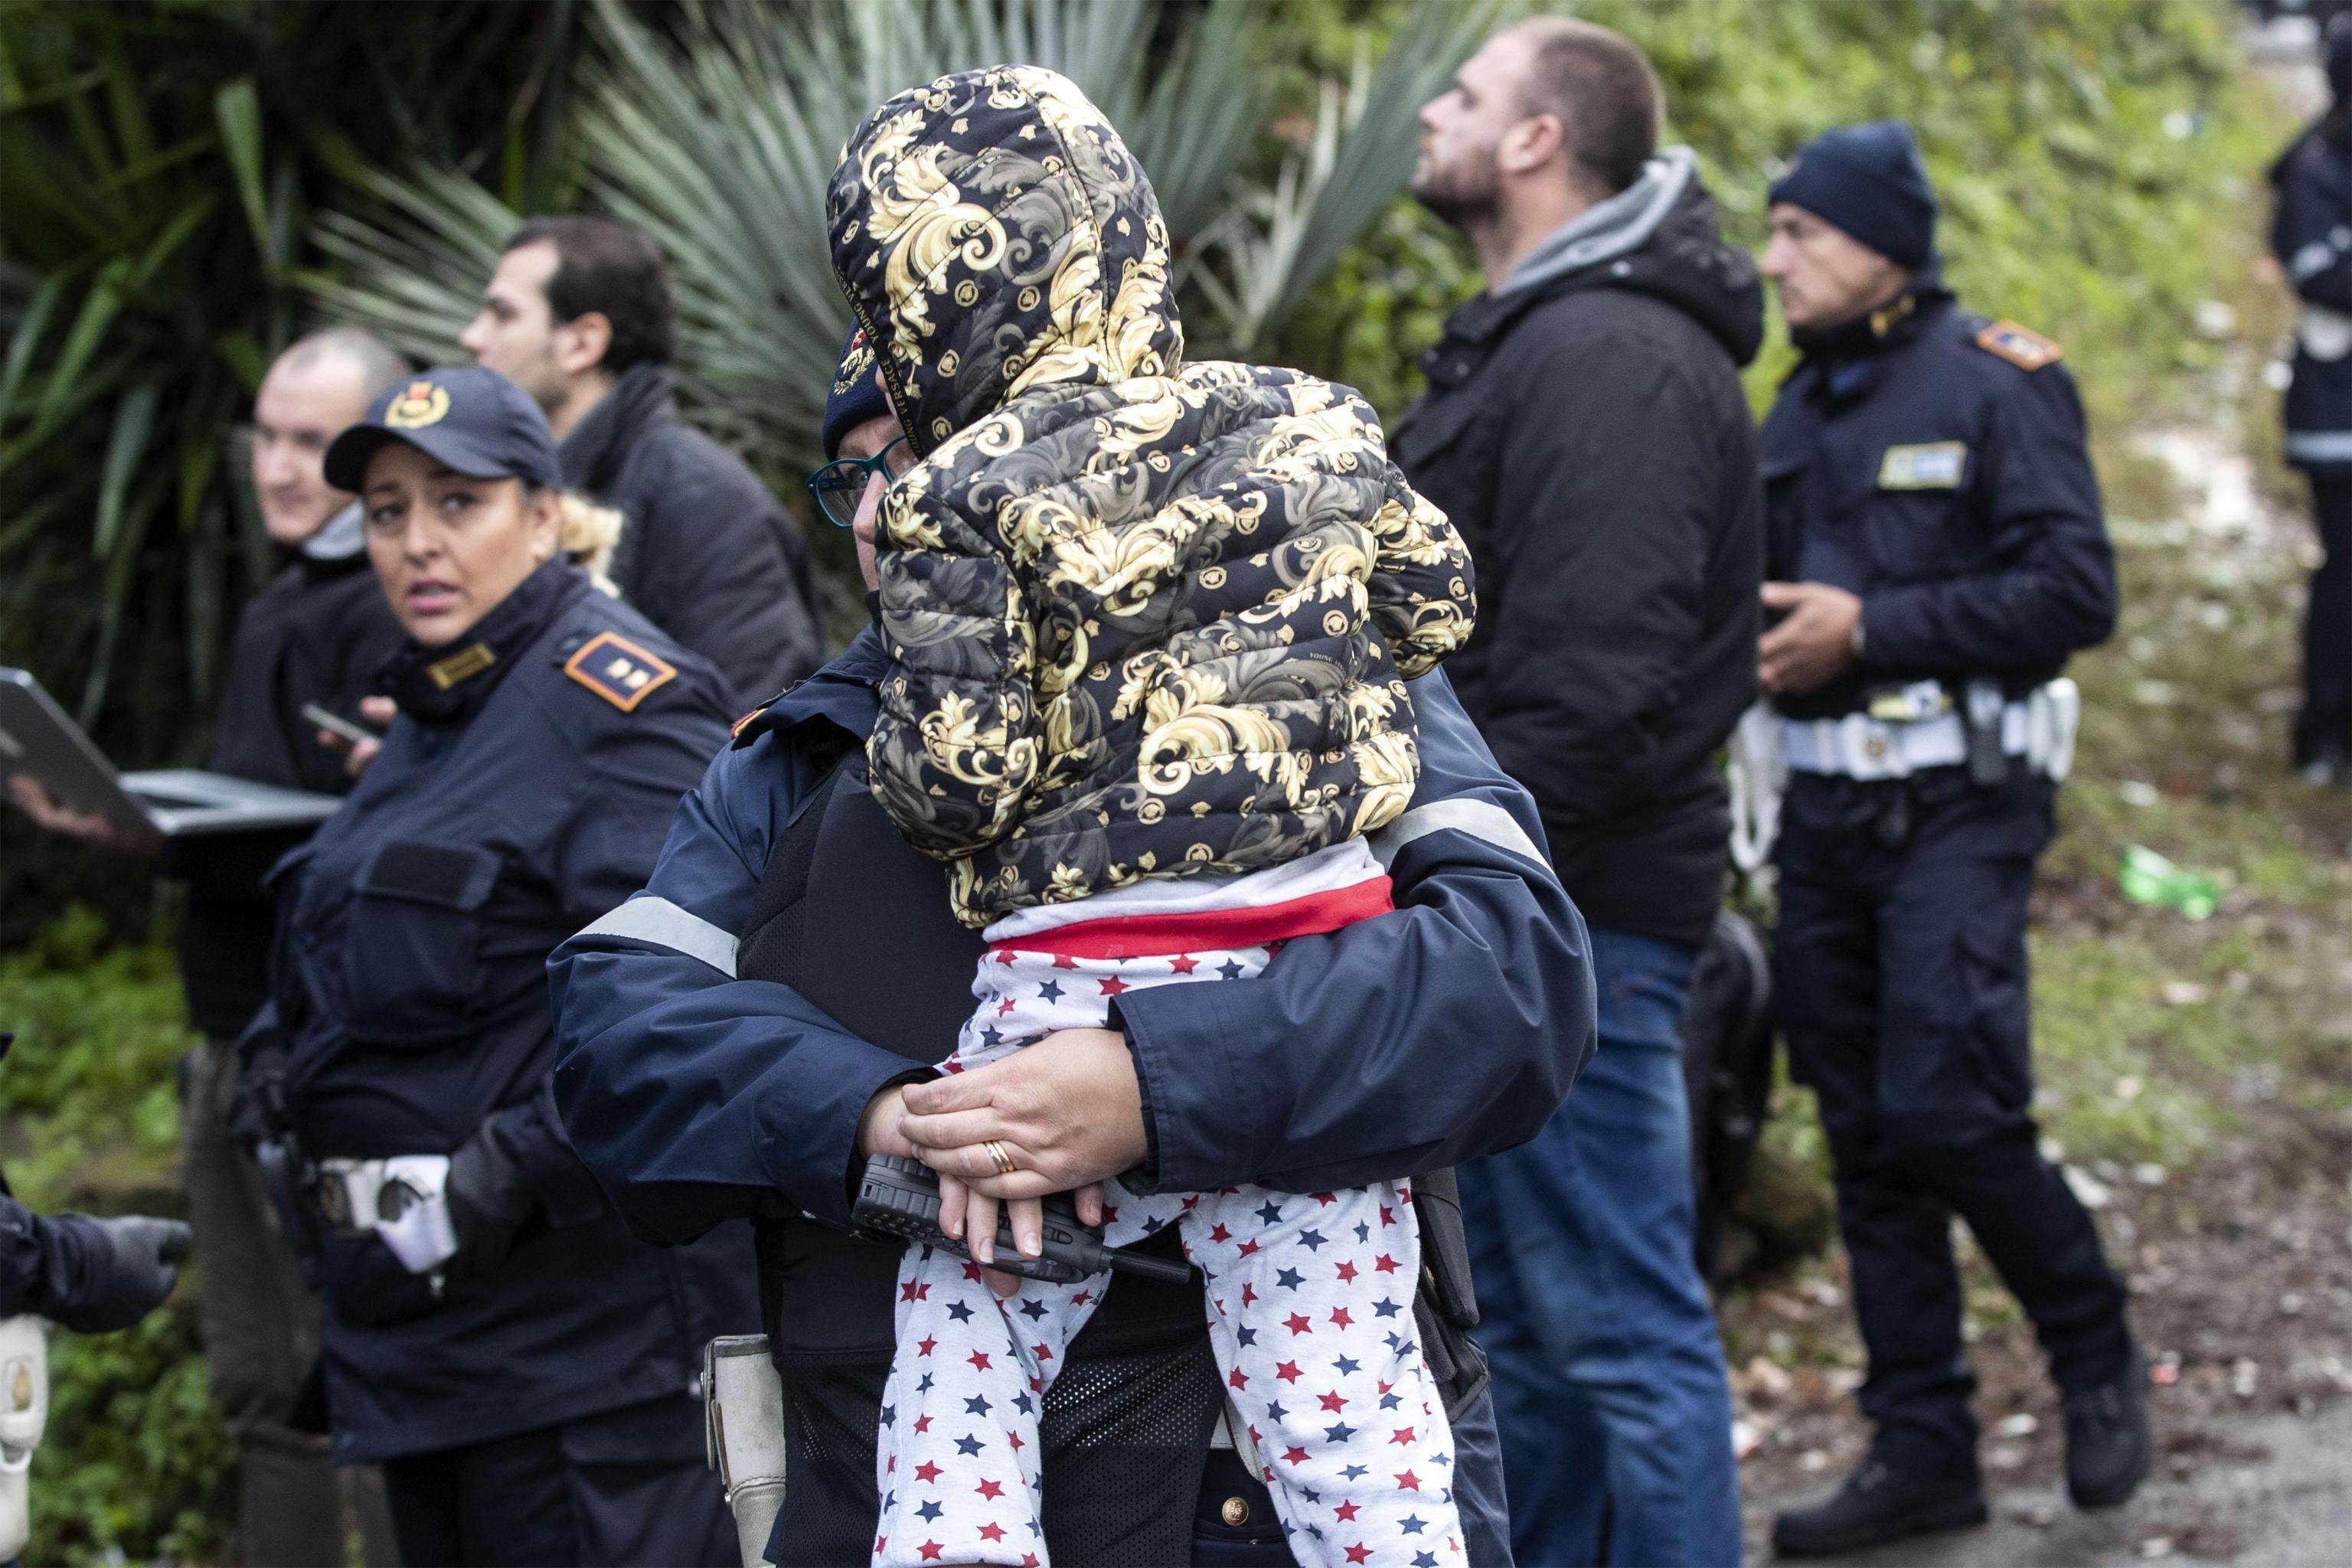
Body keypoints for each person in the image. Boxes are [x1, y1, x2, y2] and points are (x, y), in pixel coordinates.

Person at [547, 125, 1597, 1568]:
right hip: (901, 1492)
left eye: (915, 456)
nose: (879, 510)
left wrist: (1146, 1087)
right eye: (846, 476)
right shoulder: (804, 757)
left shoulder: (1323, 675)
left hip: (1259, 1502)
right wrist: (885, 1122)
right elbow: (612, 1045)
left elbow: (1512, 988)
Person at [797, 68, 1479, 1568]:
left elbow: (954, 772)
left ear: (910, 307)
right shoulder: (1304, 419)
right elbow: (1434, 598)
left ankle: (958, 1543)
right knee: (1346, 1384)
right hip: (1311, 957)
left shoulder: (954, 495)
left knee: (976, 1317)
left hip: (1068, 985)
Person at [237, 364, 750, 1566]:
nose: (418, 542)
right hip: (422, 1341)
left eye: (456, 503)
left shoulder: (616, 701)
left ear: (540, 513)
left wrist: (497, 1173)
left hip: (571, 1364)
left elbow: (672, 1009)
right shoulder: (437, 701)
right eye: (387, 511)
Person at [1751, 120, 2148, 1557]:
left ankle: (2092, 1340)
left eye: (1799, 231)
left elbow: (2073, 590)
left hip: (1962, 810)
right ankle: (1921, 1442)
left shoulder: (1996, 379)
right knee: (1861, 1134)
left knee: (1949, 1103)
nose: (1774, 257)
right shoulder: (1791, 409)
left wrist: (1877, 628)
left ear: (1876, 243)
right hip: (1821, 817)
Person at [1398, 18, 1755, 1566]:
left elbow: (1594, 683)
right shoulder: (1541, 335)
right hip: (1537, 913)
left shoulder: (1610, 354)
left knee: (1617, 1331)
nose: (1430, 115)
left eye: (1465, 95)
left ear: (1539, 141)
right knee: (1535, 1344)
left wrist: (1462, 896)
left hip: (1578, 925)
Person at [6, 328, 411, 1568]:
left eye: (312, 442)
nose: (282, 467)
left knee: (361, 1381)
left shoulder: (395, 608)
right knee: (257, 1379)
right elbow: (256, 822)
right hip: (228, 1031)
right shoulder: (281, 595)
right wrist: (140, 832)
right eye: (268, 437)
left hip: (329, 1046)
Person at [461, 215, 825, 705]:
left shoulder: (706, 499)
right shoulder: (525, 491)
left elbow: (755, 727)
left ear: (583, 343)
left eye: (503, 315)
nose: (472, 337)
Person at [2270, 21, 2352, 782]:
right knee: (2345, 569)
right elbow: (2316, 270)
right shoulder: (2316, 164)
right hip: (2337, 411)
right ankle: (2323, 730)